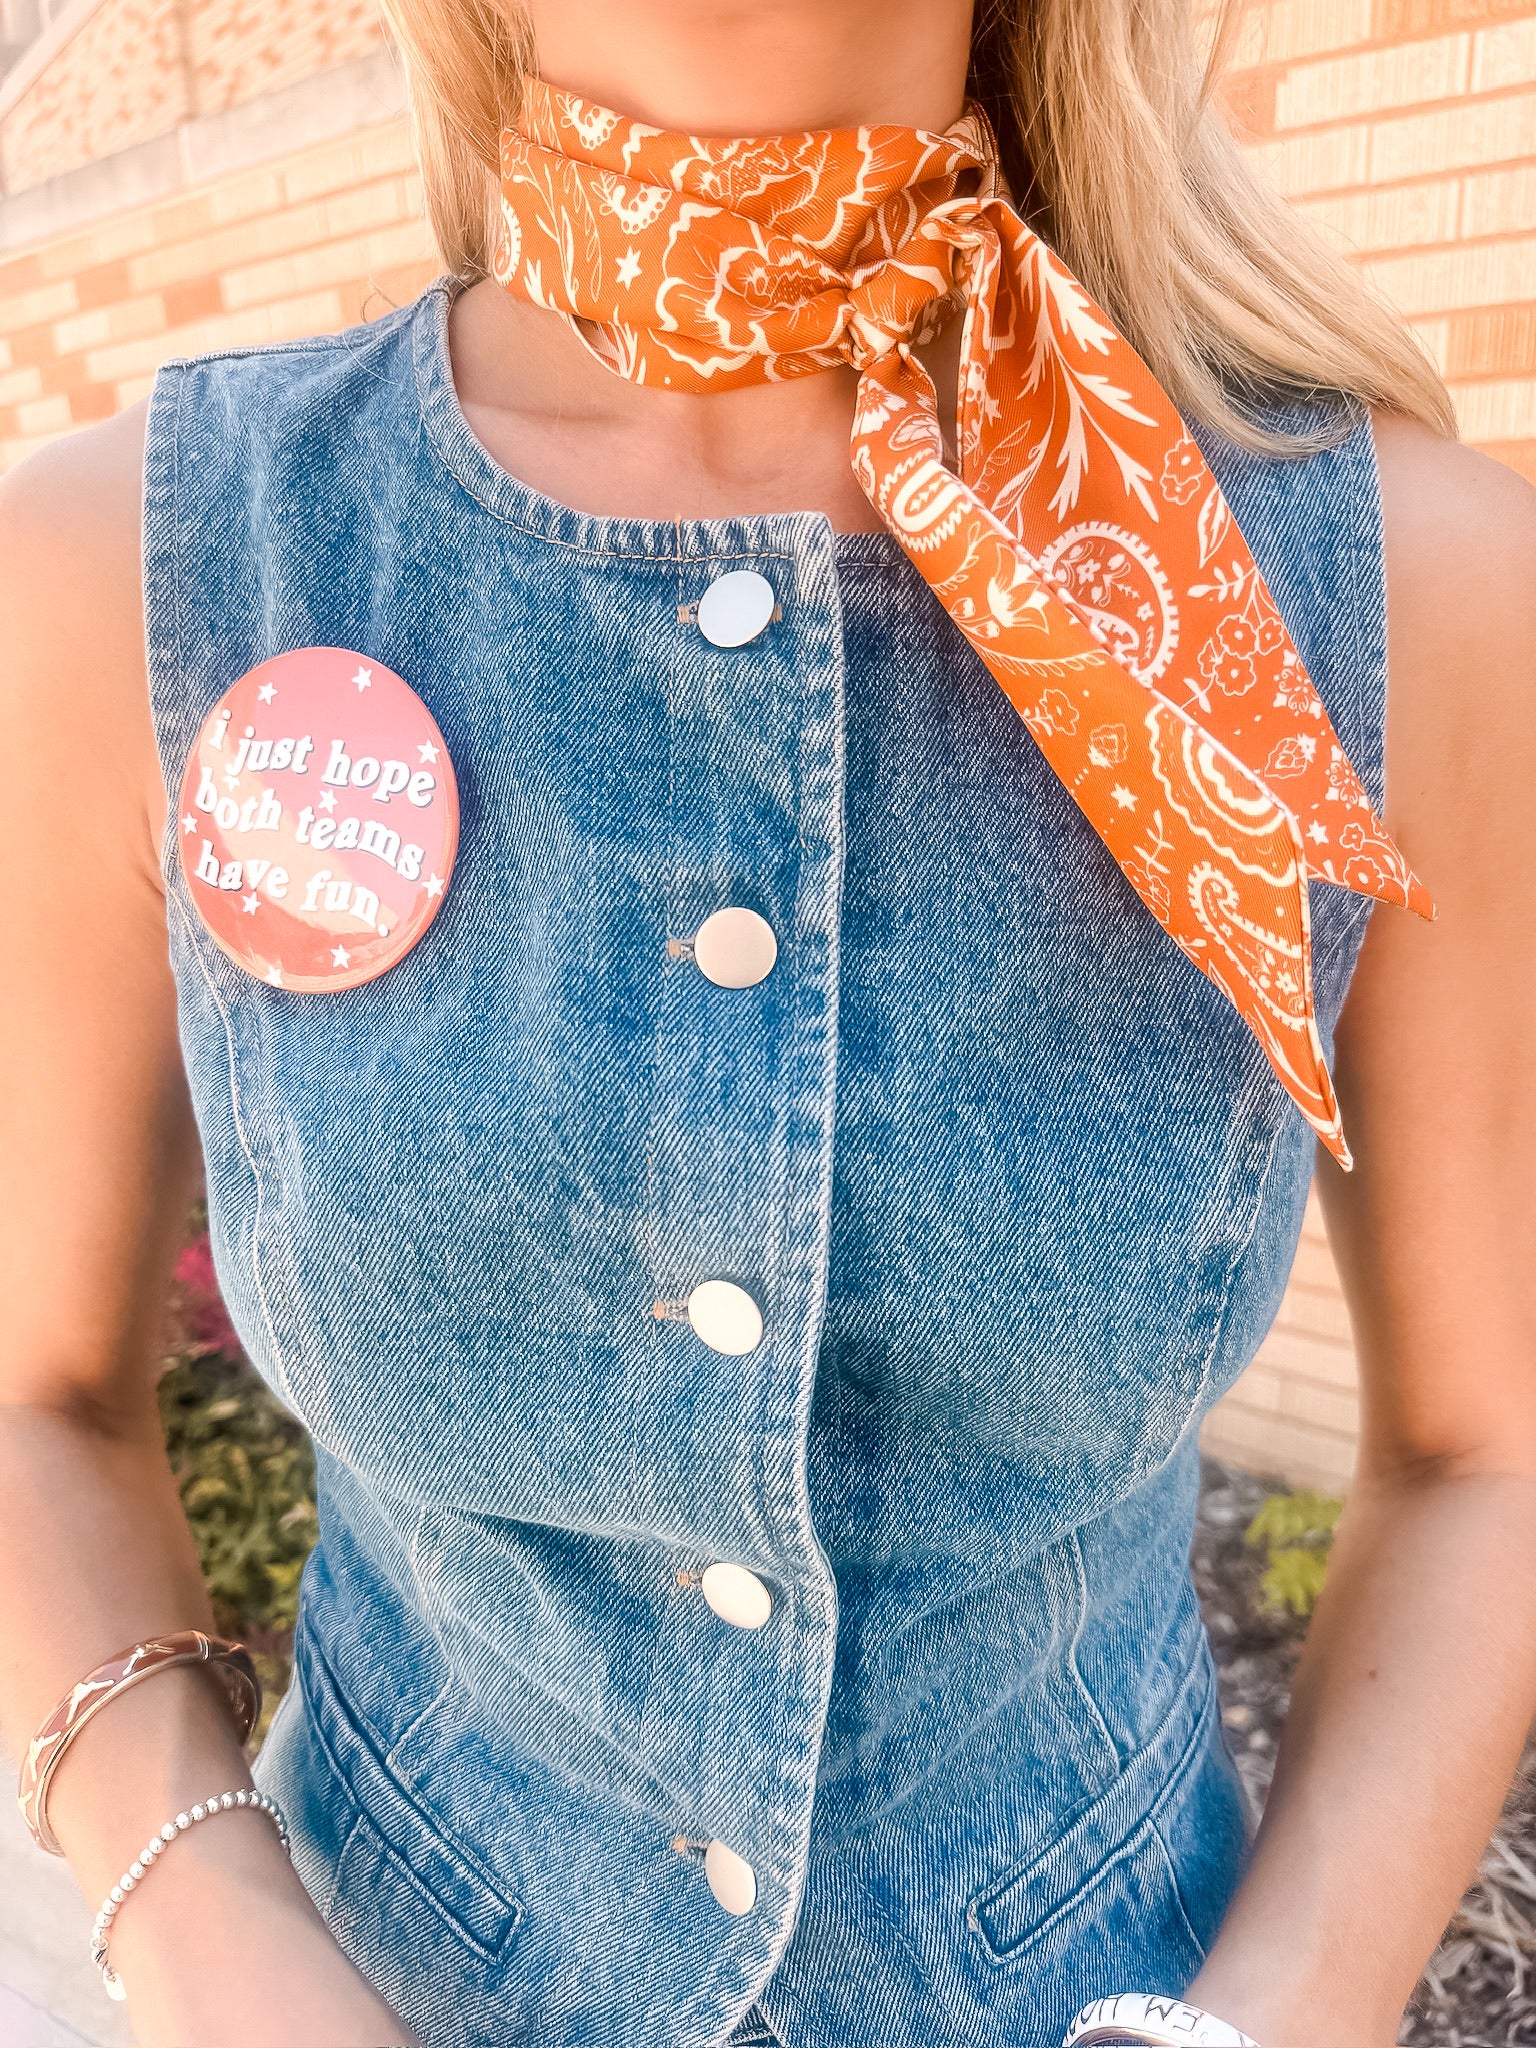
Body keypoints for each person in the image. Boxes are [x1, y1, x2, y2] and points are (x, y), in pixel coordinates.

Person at [2, 1, 1534, 2043]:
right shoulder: (130, 570)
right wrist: (221, 1952)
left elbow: (1484, 1449)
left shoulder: (1404, 591)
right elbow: (30, 1394)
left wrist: (1264, 2025)